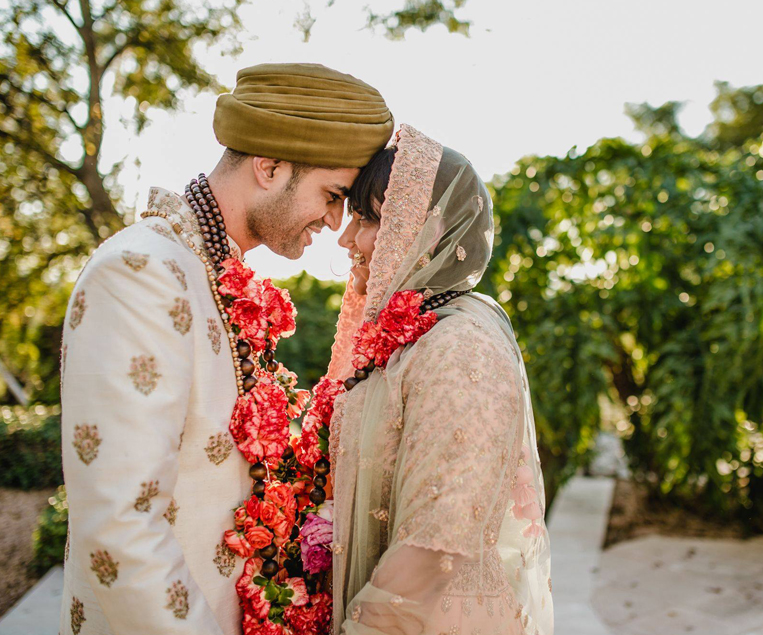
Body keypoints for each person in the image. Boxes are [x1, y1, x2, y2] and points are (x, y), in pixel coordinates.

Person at [59, 63, 393, 635]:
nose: (336, 222)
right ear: (269, 167)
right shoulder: (142, 272)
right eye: (332, 194)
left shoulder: (211, 274)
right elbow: (119, 526)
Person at [328, 125, 554, 635]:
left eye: (366, 220)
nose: (346, 239)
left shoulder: (460, 344)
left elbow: (437, 539)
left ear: (424, 232)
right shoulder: (412, 335)